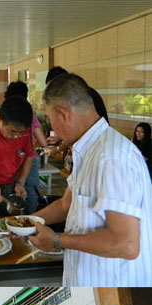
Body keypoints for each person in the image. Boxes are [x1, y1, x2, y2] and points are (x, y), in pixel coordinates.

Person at [30, 73, 152, 286]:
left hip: (114, 282)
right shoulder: (87, 151)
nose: (53, 130)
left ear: (64, 113)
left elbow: (127, 244)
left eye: (51, 120)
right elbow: (66, 204)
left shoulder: (112, 157)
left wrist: (57, 240)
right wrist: (26, 223)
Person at [4, 81, 48, 213]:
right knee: (31, 193)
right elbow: (43, 142)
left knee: (10, 193)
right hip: (29, 160)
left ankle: (11, 221)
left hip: (9, 159)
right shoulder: (31, 115)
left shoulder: (5, 115)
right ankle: (31, 221)